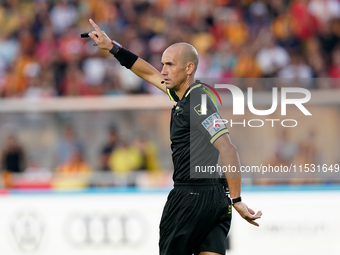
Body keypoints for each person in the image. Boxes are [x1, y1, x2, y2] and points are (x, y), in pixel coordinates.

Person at [88, 19, 262, 255]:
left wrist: (238, 199)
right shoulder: (189, 95)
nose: (163, 70)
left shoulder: (196, 102)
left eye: (170, 64)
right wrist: (112, 47)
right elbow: (147, 72)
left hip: (190, 197)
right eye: (163, 64)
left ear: (189, 68)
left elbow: (228, 149)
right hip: (216, 200)